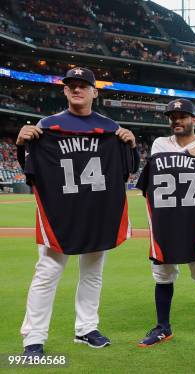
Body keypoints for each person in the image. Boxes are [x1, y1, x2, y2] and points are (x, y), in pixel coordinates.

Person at [16, 67, 137, 356]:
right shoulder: (46, 126)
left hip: (96, 212)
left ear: (95, 91)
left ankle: (86, 328)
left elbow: (127, 171)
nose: (76, 89)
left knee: (93, 273)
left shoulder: (111, 128)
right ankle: (33, 337)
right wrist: (23, 144)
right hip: (61, 213)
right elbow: (30, 172)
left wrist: (130, 145)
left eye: (83, 85)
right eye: (71, 85)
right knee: (47, 273)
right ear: (64, 90)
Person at [136, 98, 195, 348]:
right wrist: (188, 153)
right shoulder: (159, 143)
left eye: (183, 116)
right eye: (173, 116)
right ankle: (163, 327)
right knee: (163, 274)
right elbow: (159, 165)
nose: (177, 120)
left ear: (194, 119)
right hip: (165, 220)